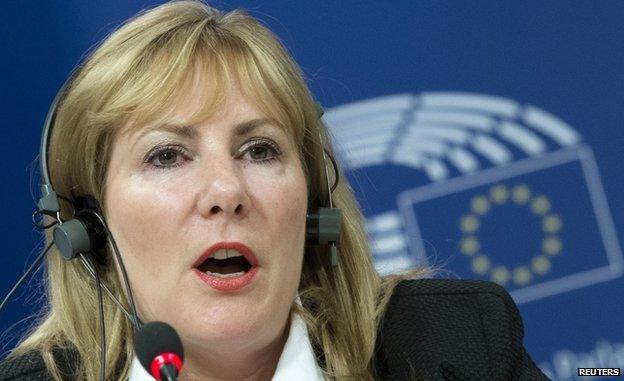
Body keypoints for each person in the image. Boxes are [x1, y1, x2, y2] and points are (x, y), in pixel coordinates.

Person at [0, 1, 548, 380]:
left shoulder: (454, 347)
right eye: (167, 155)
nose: (226, 191)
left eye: (259, 150)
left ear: (314, 205)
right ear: (89, 227)